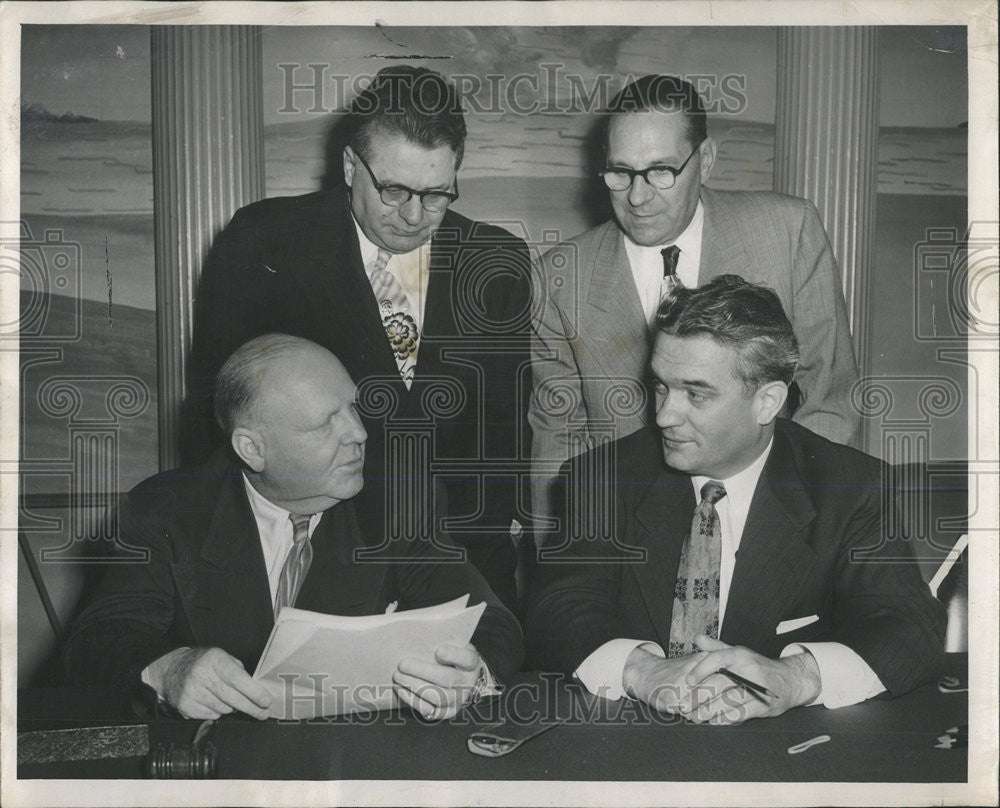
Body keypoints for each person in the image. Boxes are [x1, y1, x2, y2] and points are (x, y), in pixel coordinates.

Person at [187, 66, 532, 612]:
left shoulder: (497, 261)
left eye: (438, 194)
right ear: (351, 166)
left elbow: (504, 432)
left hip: (461, 560)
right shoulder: (263, 242)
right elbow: (218, 414)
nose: (415, 216)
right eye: (394, 189)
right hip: (312, 565)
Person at [525, 276, 944, 725]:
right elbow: (557, 609)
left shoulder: (852, 487)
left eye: (696, 393)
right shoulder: (601, 479)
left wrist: (797, 677)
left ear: (767, 403)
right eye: (661, 386)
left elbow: (908, 624)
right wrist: (642, 671)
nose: (664, 415)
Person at [64, 335, 524, 721]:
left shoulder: (398, 500)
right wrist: (170, 669)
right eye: (326, 425)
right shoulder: (167, 510)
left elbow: (491, 620)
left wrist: (472, 672)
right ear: (252, 449)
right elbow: (100, 639)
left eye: (352, 409)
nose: (359, 434)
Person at [530, 74, 860, 525]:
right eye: (621, 172)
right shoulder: (560, 276)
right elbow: (558, 443)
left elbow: (830, 398)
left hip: (773, 518)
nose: (638, 196)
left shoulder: (788, 232)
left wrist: (789, 524)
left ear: (704, 160)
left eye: (661, 171)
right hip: (624, 536)